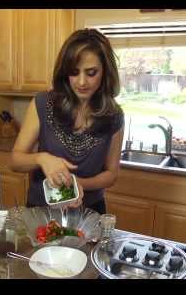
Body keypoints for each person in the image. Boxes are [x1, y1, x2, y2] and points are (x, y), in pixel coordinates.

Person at [10, 28, 124, 215]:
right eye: (74, 72)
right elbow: (15, 161)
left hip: (89, 213)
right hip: (41, 211)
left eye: (91, 72)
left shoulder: (114, 116)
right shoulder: (43, 103)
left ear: (105, 72)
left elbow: (111, 174)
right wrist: (42, 158)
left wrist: (79, 184)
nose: (81, 82)